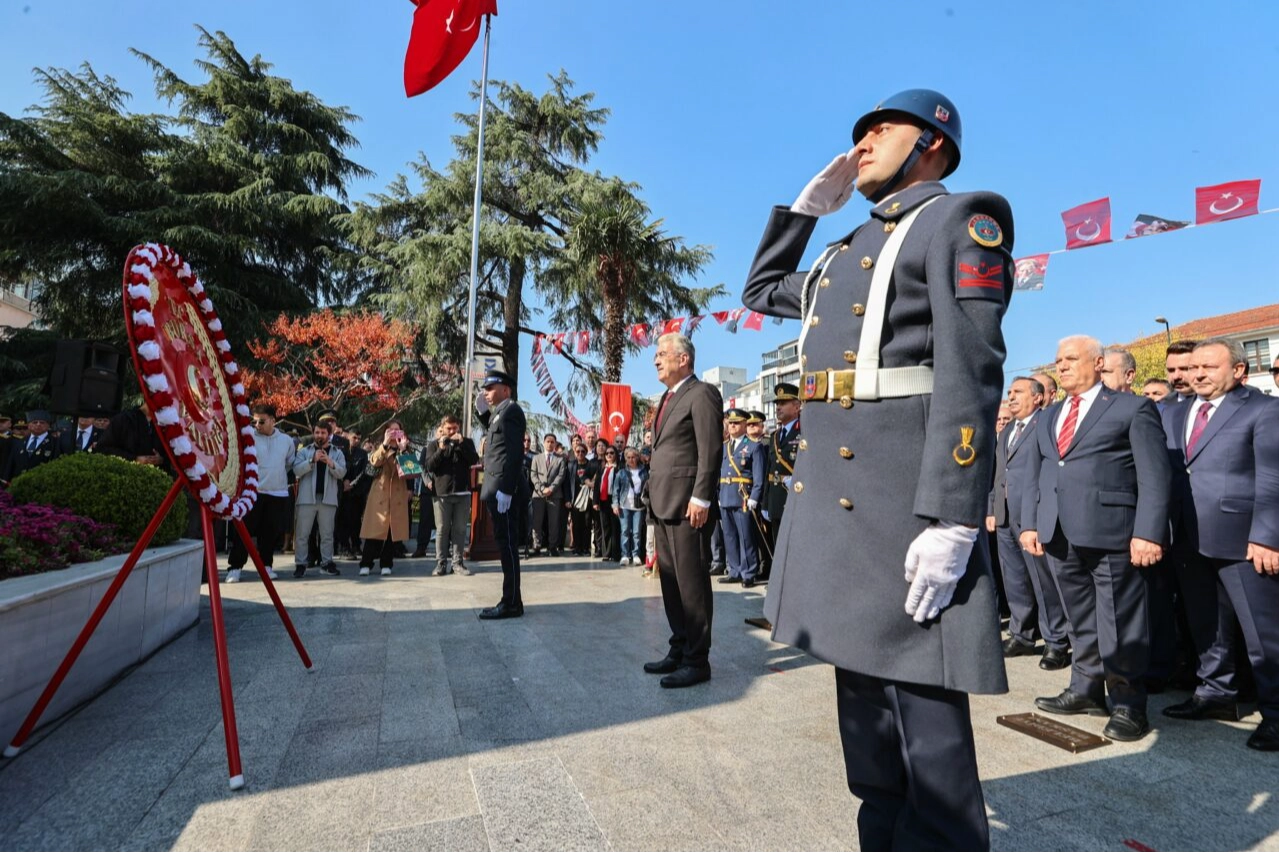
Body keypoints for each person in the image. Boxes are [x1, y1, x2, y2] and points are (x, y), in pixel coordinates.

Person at [742, 89, 1011, 851]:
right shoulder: (842, 249)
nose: (859, 145)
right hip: (838, 504)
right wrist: (804, 213)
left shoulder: (959, 219)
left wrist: (953, 514)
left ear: (931, 143)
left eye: (879, 131)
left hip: (901, 501)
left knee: (925, 719)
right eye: (857, 135)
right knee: (864, 714)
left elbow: (970, 372)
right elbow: (759, 291)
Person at [1020, 335, 1172, 742]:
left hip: (1113, 534)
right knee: (1078, 617)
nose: (1061, 366)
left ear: (1099, 363)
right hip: (1058, 533)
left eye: (1071, 358)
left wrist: (1148, 532)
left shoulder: (1131, 408)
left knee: (1120, 623)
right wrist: (1031, 523)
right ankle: (1085, 689)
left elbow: (1155, 476)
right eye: (1058, 360)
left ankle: (1127, 704)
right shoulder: (1050, 415)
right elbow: (1041, 472)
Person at [1161, 338, 1279, 751]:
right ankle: (1215, 693)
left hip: (1243, 541)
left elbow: (1272, 478)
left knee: (1264, 634)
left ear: (1239, 370)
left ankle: (1275, 713)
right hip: (1188, 536)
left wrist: (1267, 536)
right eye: (1194, 367)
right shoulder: (1175, 412)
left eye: (1208, 367)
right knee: (1205, 623)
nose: (1197, 375)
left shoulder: (1263, 410)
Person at [645, 332, 722, 688]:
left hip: (688, 505)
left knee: (692, 586)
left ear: (683, 358)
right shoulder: (667, 398)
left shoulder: (701, 393)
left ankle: (697, 660)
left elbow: (710, 449)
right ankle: (679, 647)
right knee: (671, 584)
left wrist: (701, 497)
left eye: (662, 354)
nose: (656, 360)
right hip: (663, 503)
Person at [986, 378, 1071, 669]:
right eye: (1009, 392)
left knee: (1043, 581)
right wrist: (992, 507)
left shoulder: (1045, 424)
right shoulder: (1007, 430)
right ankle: (1021, 634)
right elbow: (999, 473)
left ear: (1037, 398)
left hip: (1032, 515)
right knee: (1014, 579)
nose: (1011, 397)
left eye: (1018, 392)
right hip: (1005, 516)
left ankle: (1056, 642)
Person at [476, 369, 528, 618]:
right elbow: (495, 432)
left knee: (508, 547)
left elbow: (514, 454)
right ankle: (511, 600)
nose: (486, 393)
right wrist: (482, 413)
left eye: (490, 388)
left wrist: (507, 489)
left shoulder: (511, 411)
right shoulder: (500, 413)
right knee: (504, 545)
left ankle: (511, 603)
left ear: (505, 390)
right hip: (495, 488)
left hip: (503, 490)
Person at [227, 404, 297, 582]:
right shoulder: (248, 437)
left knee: (270, 533)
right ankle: (235, 567)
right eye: (255, 421)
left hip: (277, 493)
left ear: (273, 420)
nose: (257, 425)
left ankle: (266, 566)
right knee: (244, 531)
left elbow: (290, 463)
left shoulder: (286, 441)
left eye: (261, 421)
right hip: (252, 492)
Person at [423, 414, 479, 576]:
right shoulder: (434, 444)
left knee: (460, 529)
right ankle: (441, 564)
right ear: (442, 428)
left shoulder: (467, 442)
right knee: (442, 529)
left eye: (455, 428)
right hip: (442, 493)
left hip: (462, 492)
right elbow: (429, 466)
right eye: (449, 428)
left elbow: (474, 460)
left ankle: (457, 563)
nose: (452, 431)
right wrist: (441, 449)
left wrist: (462, 444)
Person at [718, 408, 766, 587]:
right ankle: (734, 570)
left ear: (745, 424)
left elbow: (759, 476)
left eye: (736, 423)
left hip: (743, 497)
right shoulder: (724, 446)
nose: (732, 426)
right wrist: (719, 494)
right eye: (730, 423)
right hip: (726, 495)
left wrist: (754, 497)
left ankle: (748, 572)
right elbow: (720, 472)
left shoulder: (753, 446)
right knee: (729, 536)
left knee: (746, 537)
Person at [292, 420, 346, 578]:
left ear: (329, 434)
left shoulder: (337, 453)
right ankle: (300, 564)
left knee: (327, 534)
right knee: (302, 534)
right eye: (317, 432)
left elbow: (342, 473)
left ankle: (327, 563)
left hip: (328, 499)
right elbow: (296, 470)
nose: (319, 435)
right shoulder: (304, 451)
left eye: (323, 433)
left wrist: (330, 462)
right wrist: (312, 460)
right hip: (306, 498)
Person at [359, 420, 411, 577]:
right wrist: (385, 445)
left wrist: (403, 450)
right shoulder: (379, 447)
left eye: (397, 430)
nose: (394, 433)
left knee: (390, 532)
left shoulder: (406, 450)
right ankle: (366, 563)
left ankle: (386, 563)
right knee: (374, 531)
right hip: (379, 494)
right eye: (391, 430)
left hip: (396, 495)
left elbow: (410, 471)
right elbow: (373, 464)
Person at [761, 383, 802, 585]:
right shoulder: (775, 436)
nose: (778, 407)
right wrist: (765, 503)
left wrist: (798, 479)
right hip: (777, 500)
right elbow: (769, 471)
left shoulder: (804, 432)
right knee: (778, 545)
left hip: (796, 498)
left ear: (797, 406)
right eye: (777, 403)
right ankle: (781, 584)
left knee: (795, 546)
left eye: (783, 403)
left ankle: (795, 583)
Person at [529, 433, 567, 557]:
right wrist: (541, 488)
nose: (550, 444)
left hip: (554, 494)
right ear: (544, 443)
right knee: (537, 521)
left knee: (553, 522)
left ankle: (552, 547)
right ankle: (536, 546)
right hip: (538, 495)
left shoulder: (560, 459)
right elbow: (533, 475)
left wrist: (551, 488)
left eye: (552, 442)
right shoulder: (536, 458)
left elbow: (561, 476)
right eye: (548, 441)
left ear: (555, 444)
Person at [2, 409, 60, 487]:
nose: (38, 424)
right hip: (18, 486)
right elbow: (10, 465)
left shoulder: (55, 443)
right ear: (29, 425)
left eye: (42, 422)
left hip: (41, 486)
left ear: (48, 425)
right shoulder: (19, 442)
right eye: (35, 422)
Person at [613, 447, 649, 565]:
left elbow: (647, 487)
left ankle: (636, 555)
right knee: (625, 531)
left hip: (639, 506)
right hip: (624, 505)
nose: (631, 460)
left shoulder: (644, 472)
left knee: (637, 532)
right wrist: (615, 504)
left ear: (637, 458)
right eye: (628, 457)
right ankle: (625, 555)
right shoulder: (621, 472)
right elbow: (616, 490)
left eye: (633, 457)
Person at [565, 444, 598, 556]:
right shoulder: (571, 465)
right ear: (574, 452)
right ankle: (577, 547)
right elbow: (567, 484)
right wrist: (567, 499)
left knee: (587, 523)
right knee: (576, 523)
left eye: (583, 451)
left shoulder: (590, 464)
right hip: (575, 499)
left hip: (588, 499)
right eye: (578, 451)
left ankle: (585, 548)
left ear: (586, 452)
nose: (580, 453)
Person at [594, 446, 622, 562]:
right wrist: (595, 501)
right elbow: (597, 486)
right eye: (607, 453)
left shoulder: (619, 469)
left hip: (614, 500)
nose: (609, 455)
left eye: (611, 453)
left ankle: (615, 554)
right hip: (603, 500)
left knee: (615, 527)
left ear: (616, 455)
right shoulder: (602, 469)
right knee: (605, 526)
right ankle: (606, 553)